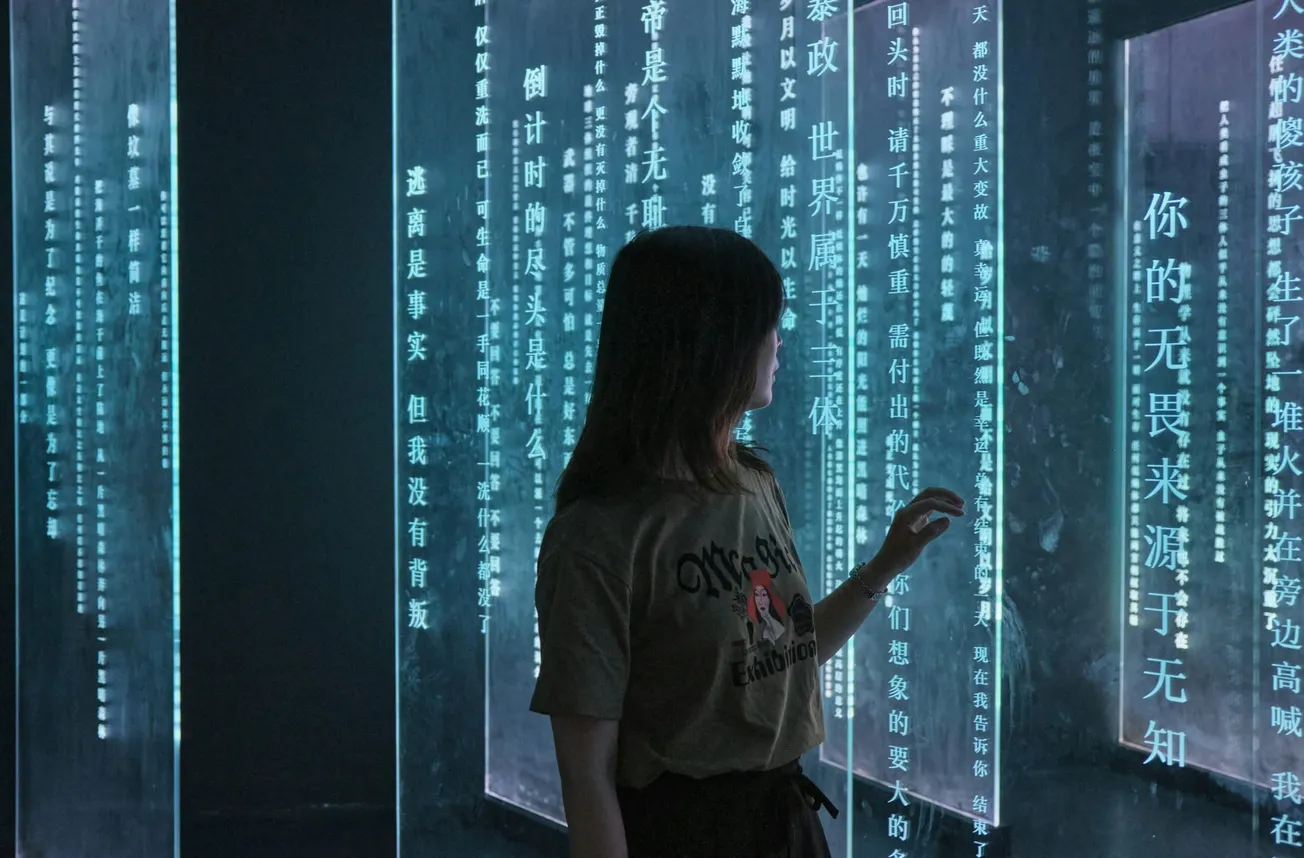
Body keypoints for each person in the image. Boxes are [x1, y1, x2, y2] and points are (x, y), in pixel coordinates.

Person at [529, 226, 964, 858]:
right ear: (709, 345)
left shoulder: (754, 481)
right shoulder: (598, 537)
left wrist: (887, 564)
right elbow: (587, 777)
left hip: (784, 822)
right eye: (765, 324)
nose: (778, 342)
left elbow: (781, 658)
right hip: (686, 835)